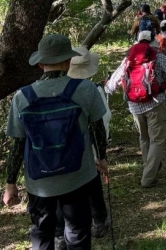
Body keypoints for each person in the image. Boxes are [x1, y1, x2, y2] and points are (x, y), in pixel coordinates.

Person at [3, 34, 108, 250]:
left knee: (42, 233)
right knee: (78, 233)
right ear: (69, 61)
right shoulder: (86, 89)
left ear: (40, 64)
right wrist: (102, 158)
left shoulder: (22, 97)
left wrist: (10, 183)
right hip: (79, 176)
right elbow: (98, 130)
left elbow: (18, 145)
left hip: (39, 183)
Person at [53, 47, 111, 249]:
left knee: (61, 190)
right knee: (92, 184)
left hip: (61, 150)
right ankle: (99, 220)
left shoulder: (57, 89)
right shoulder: (92, 90)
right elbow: (102, 121)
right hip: (88, 147)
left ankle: (59, 234)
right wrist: (101, 154)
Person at [106, 31, 166, 188]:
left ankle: (150, 168)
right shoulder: (159, 57)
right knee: (157, 140)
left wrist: (107, 88)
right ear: (153, 41)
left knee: (144, 138)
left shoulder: (128, 58)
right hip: (155, 103)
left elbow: (113, 83)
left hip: (134, 105)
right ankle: (148, 178)